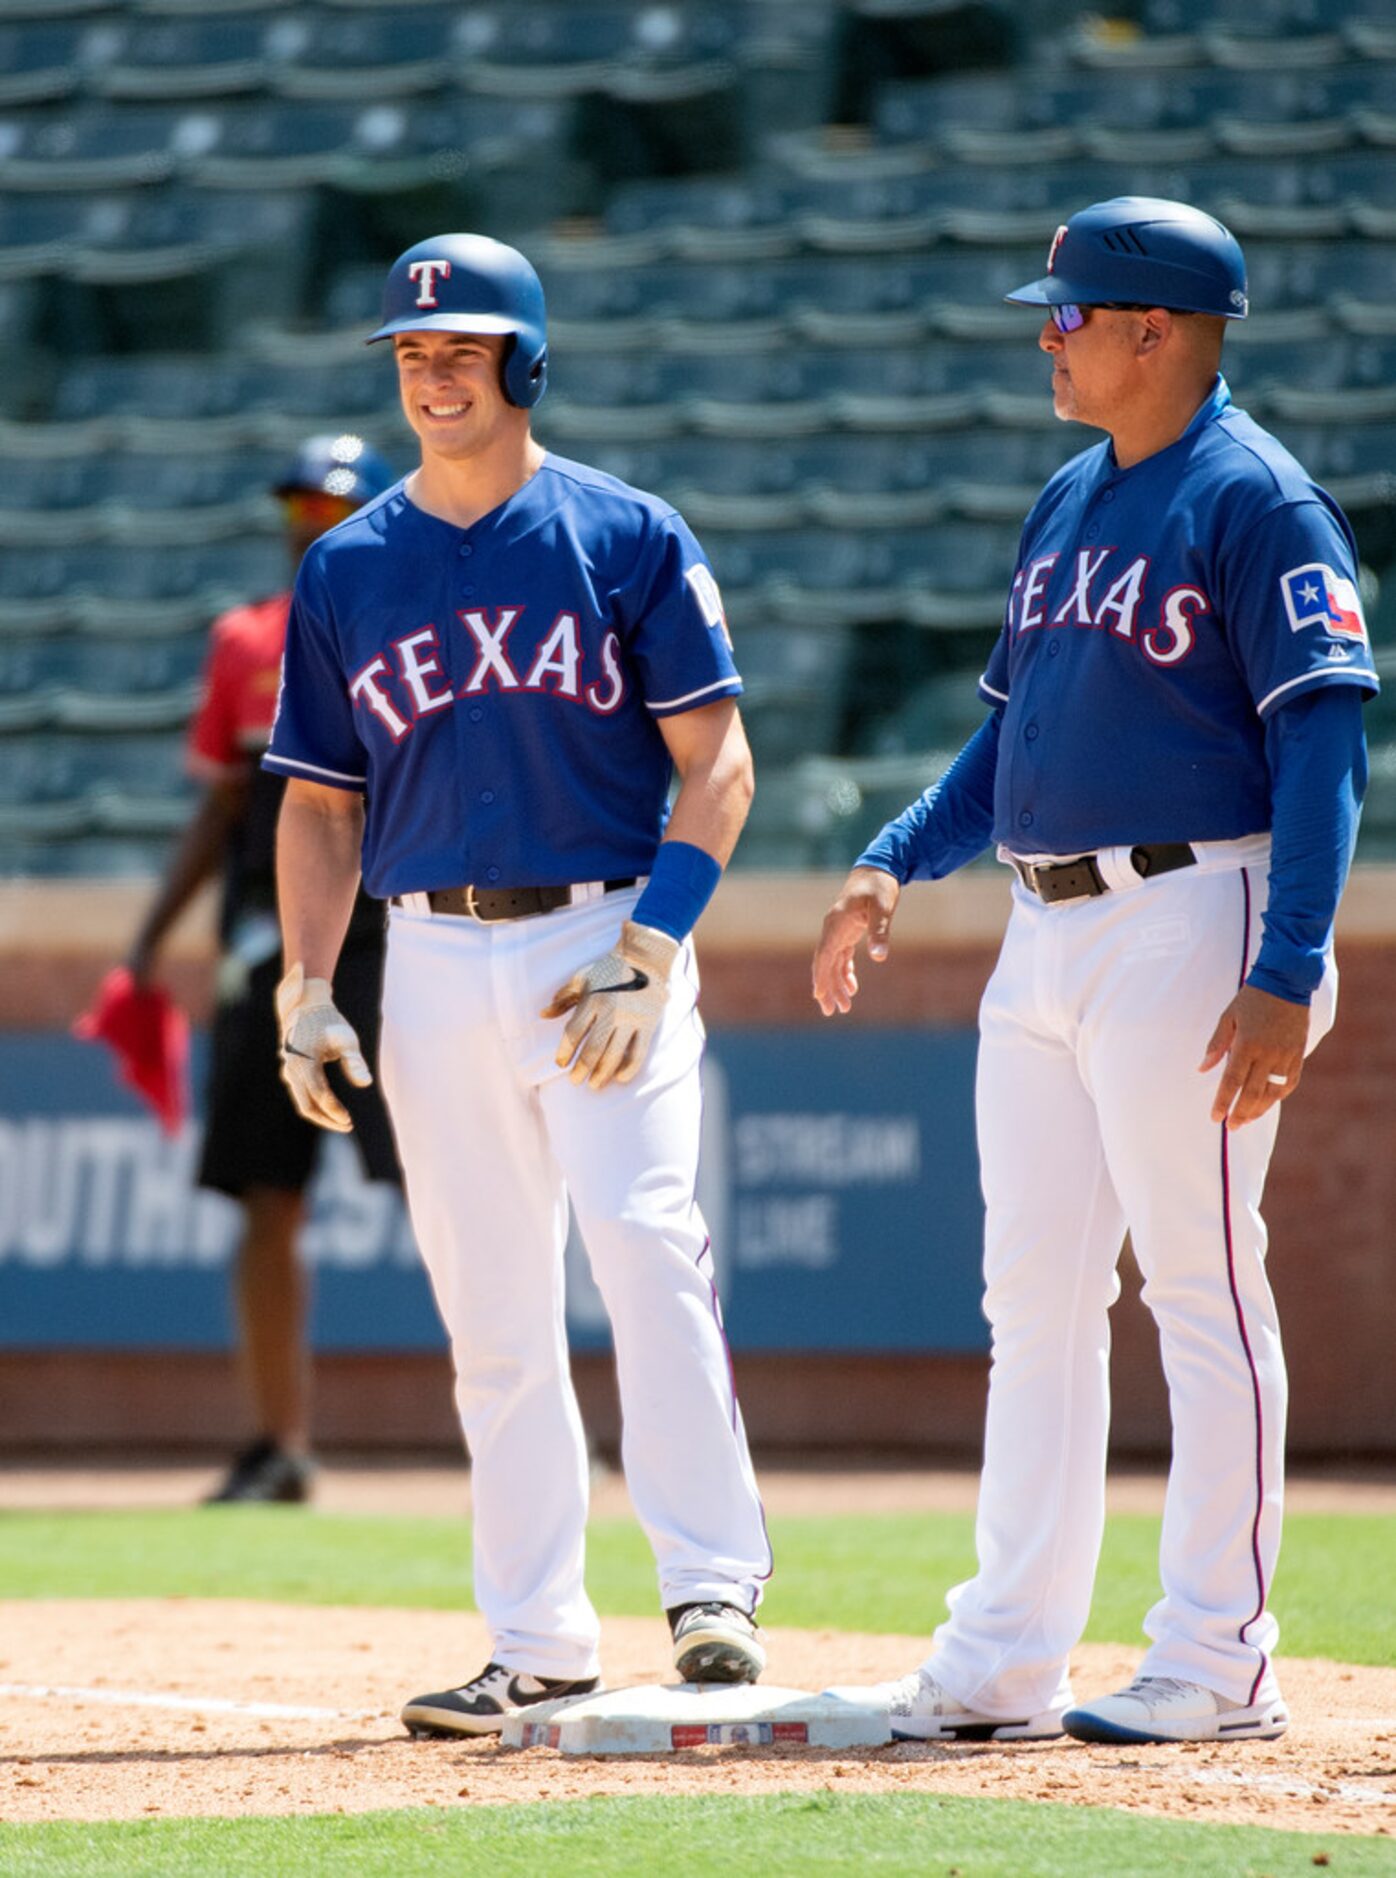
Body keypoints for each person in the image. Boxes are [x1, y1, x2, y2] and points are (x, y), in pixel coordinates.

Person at [815, 198, 1376, 1747]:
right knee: (1035, 1299)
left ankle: (1221, 1655)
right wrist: (897, 853)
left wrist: (1288, 963)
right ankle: (1005, 1656)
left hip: (1196, 909)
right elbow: (1017, 735)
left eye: (1064, 315)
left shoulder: (1259, 499)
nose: (1043, 336)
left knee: (1200, 1282)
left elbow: (1326, 741)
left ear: (1158, 330)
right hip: (1045, 927)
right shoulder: (1069, 498)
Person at [263, 233, 771, 1736]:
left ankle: (710, 1588)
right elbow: (317, 801)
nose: (430, 374)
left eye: (460, 351)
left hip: (600, 934)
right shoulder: (348, 564)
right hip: (427, 952)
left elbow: (720, 765)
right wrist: (305, 982)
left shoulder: (625, 533)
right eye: (412, 353)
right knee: (488, 1302)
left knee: (642, 1240)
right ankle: (538, 1636)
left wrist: (651, 947)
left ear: (526, 365)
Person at [128, 434, 401, 1505]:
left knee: (457, 1186)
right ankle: (278, 1444)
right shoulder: (245, 638)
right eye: (298, 507)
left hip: (406, 935)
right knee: (264, 1195)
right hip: (273, 948)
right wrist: (155, 934)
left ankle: (540, 1435)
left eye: (332, 508)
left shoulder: (417, 629)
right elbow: (226, 803)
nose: (308, 525)